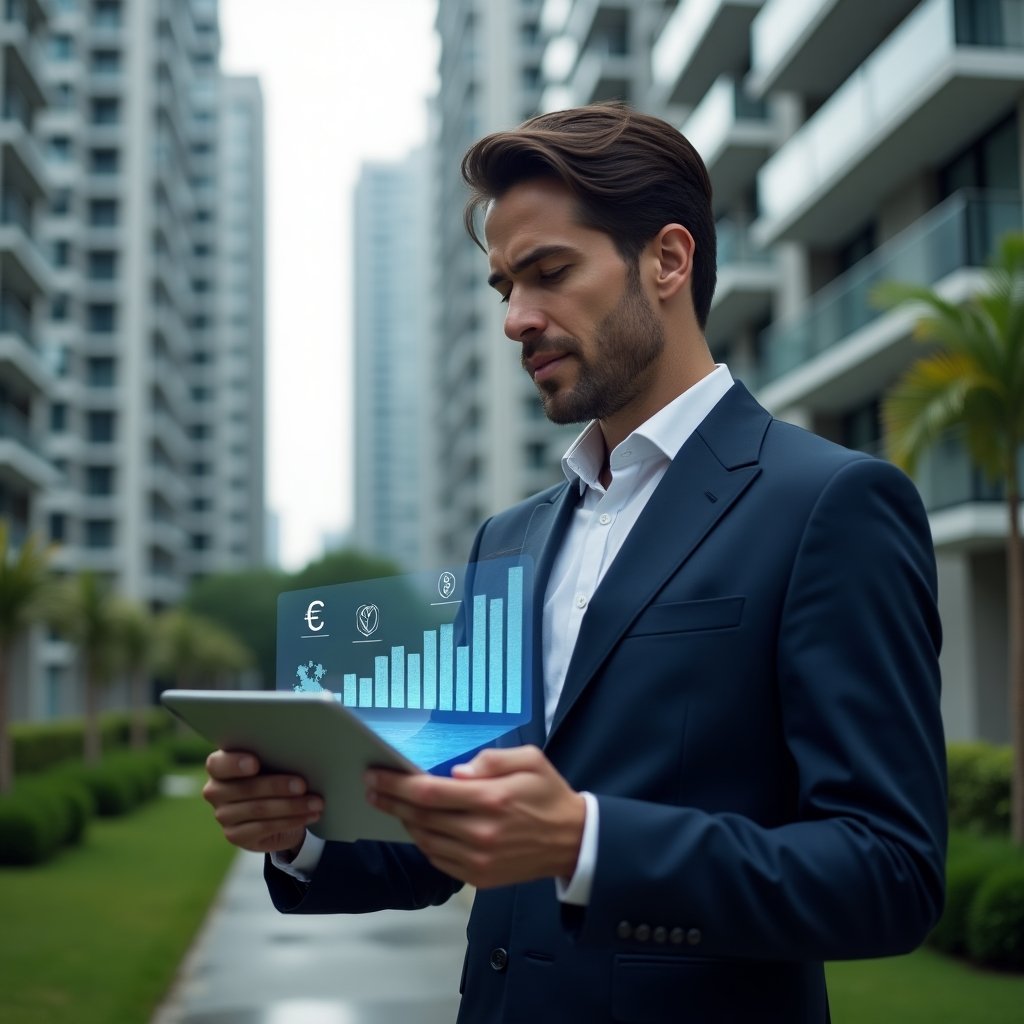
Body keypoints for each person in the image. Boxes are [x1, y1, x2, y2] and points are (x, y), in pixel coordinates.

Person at [203, 103, 946, 1023]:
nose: (517, 319)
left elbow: (889, 871)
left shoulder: (830, 505)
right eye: (504, 286)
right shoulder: (506, 539)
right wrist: (301, 834)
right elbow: (448, 833)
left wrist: (588, 843)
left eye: (549, 273)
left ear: (668, 261)